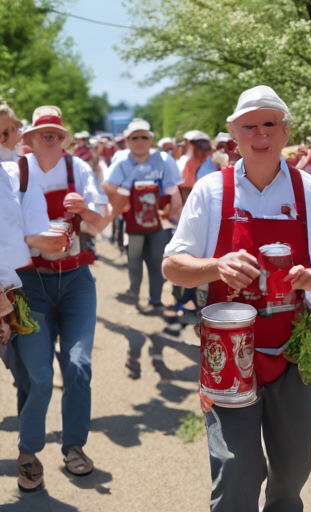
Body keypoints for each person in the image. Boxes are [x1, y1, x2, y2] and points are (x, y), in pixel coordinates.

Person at [162, 85, 311, 512]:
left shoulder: (309, 190)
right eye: (250, 125)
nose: (260, 133)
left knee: (291, 471)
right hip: (228, 352)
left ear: (286, 133)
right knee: (237, 470)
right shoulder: (211, 190)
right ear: (234, 133)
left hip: (293, 349)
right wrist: (216, 267)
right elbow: (172, 265)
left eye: (270, 124)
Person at [9, 105, 110, 490]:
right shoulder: (14, 174)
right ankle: (29, 451)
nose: (51, 140)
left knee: (79, 364)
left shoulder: (79, 170)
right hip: (30, 283)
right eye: (43, 134)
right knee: (38, 375)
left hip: (75, 281)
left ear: (65, 139)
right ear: (29, 139)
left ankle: (74, 446)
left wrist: (85, 208)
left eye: (57, 134)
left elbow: (101, 224)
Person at [102, 118, 183, 316]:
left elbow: (174, 192)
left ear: (151, 139)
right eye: (135, 137)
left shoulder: (164, 160)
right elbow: (107, 187)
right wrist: (120, 205)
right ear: (128, 141)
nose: (140, 141)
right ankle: (134, 293)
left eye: (144, 137)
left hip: (158, 222)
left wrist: (177, 216)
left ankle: (155, 300)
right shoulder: (121, 162)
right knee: (135, 259)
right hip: (133, 222)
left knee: (157, 261)